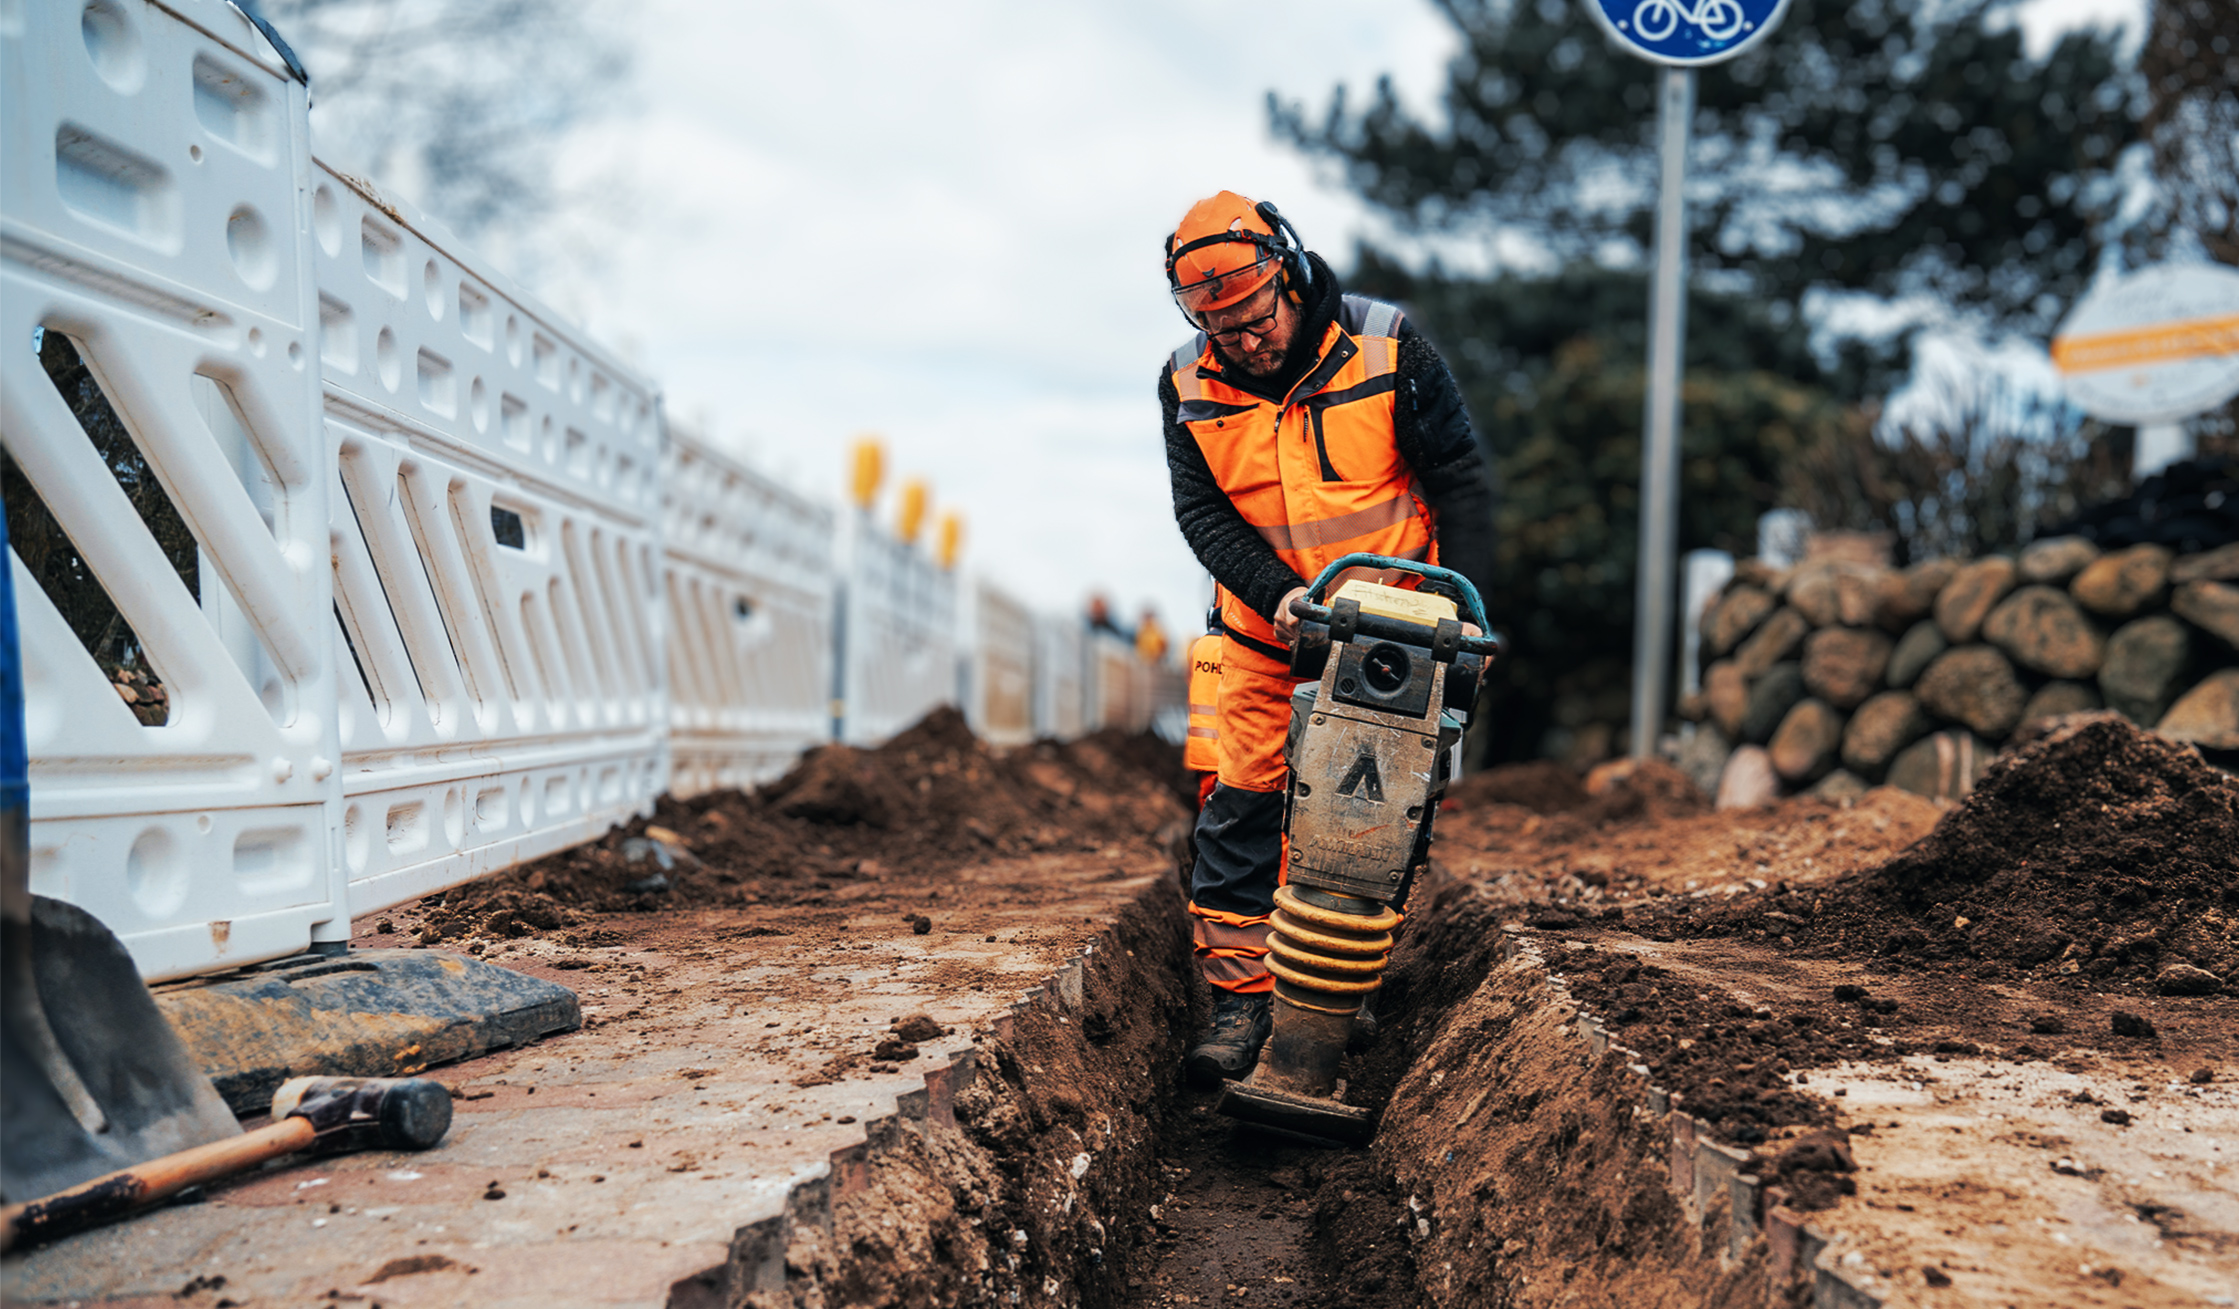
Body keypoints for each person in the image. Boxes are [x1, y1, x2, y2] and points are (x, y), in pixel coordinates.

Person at [1158, 192, 1495, 1087]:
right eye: (1219, 327)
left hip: (1391, 635)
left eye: (1254, 318)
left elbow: (1457, 478)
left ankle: (1341, 990)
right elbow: (1201, 512)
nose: (1244, 341)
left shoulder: (1388, 346)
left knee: (1376, 815)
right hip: (1268, 629)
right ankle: (1240, 1006)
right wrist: (1275, 596)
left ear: (1291, 276)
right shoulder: (1187, 383)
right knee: (1241, 807)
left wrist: (1469, 622)